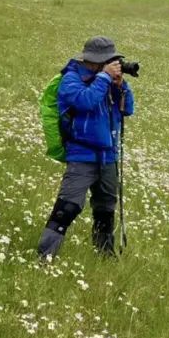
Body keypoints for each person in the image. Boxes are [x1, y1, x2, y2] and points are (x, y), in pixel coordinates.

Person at [37, 36, 134, 258]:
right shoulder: (70, 79)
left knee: (106, 208)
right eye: (107, 61)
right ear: (94, 61)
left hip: (108, 156)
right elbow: (84, 102)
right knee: (67, 207)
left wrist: (121, 87)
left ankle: (104, 256)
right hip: (81, 153)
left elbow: (127, 110)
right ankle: (44, 256)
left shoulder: (107, 82)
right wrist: (104, 78)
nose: (111, 64)